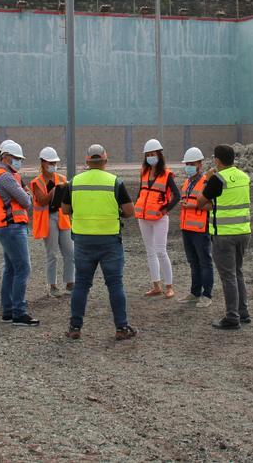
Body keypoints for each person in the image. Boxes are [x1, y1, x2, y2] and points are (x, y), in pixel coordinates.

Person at [60, 144, 137, 341]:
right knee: (115, 285)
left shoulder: (74, 182)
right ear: (105, 160)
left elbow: (66, 210)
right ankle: (121, 327)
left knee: (81, 285)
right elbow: (129, 211)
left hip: (83, 241)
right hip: (109, 241)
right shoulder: (114, 182)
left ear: (87, 161)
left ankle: (75, 327)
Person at [194, 144, 251, 330]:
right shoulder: (243, 176)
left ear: (217, 160)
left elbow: (200, 201)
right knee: (238, 272)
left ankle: (232, 317)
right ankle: (243, 312)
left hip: (224, 234)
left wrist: (206, 180)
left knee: (228, 276)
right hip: (243, 231)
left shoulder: (217, 179)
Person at [0, 140, 38, 327]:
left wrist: (25, 193)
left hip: (5, 226)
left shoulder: (4, 176)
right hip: (12, 227)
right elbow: (26, 202)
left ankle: (8, 311)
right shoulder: (7, 178)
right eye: (16, 158)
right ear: (6, 157)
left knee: (10, 268)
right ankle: (19, 312)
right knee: (22, 268)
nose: (19, 161)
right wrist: (26, 194)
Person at [135, 138, 180, 299]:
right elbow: (141, 192)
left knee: (161, 251)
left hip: (159, 218)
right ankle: (156, 286)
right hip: (143, 217)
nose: (150, 157)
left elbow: (177, 196)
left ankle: (169, 287)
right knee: (150, 252)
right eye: (148, 154)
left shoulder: (167, 174)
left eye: (152, 154)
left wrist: (165, 210)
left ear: (159, 155)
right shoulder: (144, 172)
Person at [29, 146, 74, 297]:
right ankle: (52, 286)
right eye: (50, 162)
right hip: (48, 219)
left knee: (70, 252)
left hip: (62, 217)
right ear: (42, 163)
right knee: (52, 254)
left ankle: (70, 282)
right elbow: (41, 201)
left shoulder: (61, 178)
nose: (53, 165)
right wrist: (54, 190)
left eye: (54, 162)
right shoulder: (36, 182)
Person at [176, 147, 214, 308]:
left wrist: (191, 205)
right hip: (187, 228)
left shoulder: (206, 182)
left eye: (192, 163)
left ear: (200, 164)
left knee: (205, 262)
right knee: (193, 262)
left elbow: (211, 206)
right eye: (187, 164)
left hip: (200, 229)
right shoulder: (187, 182)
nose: (189, 166)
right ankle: (194, 293)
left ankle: (207, 295)